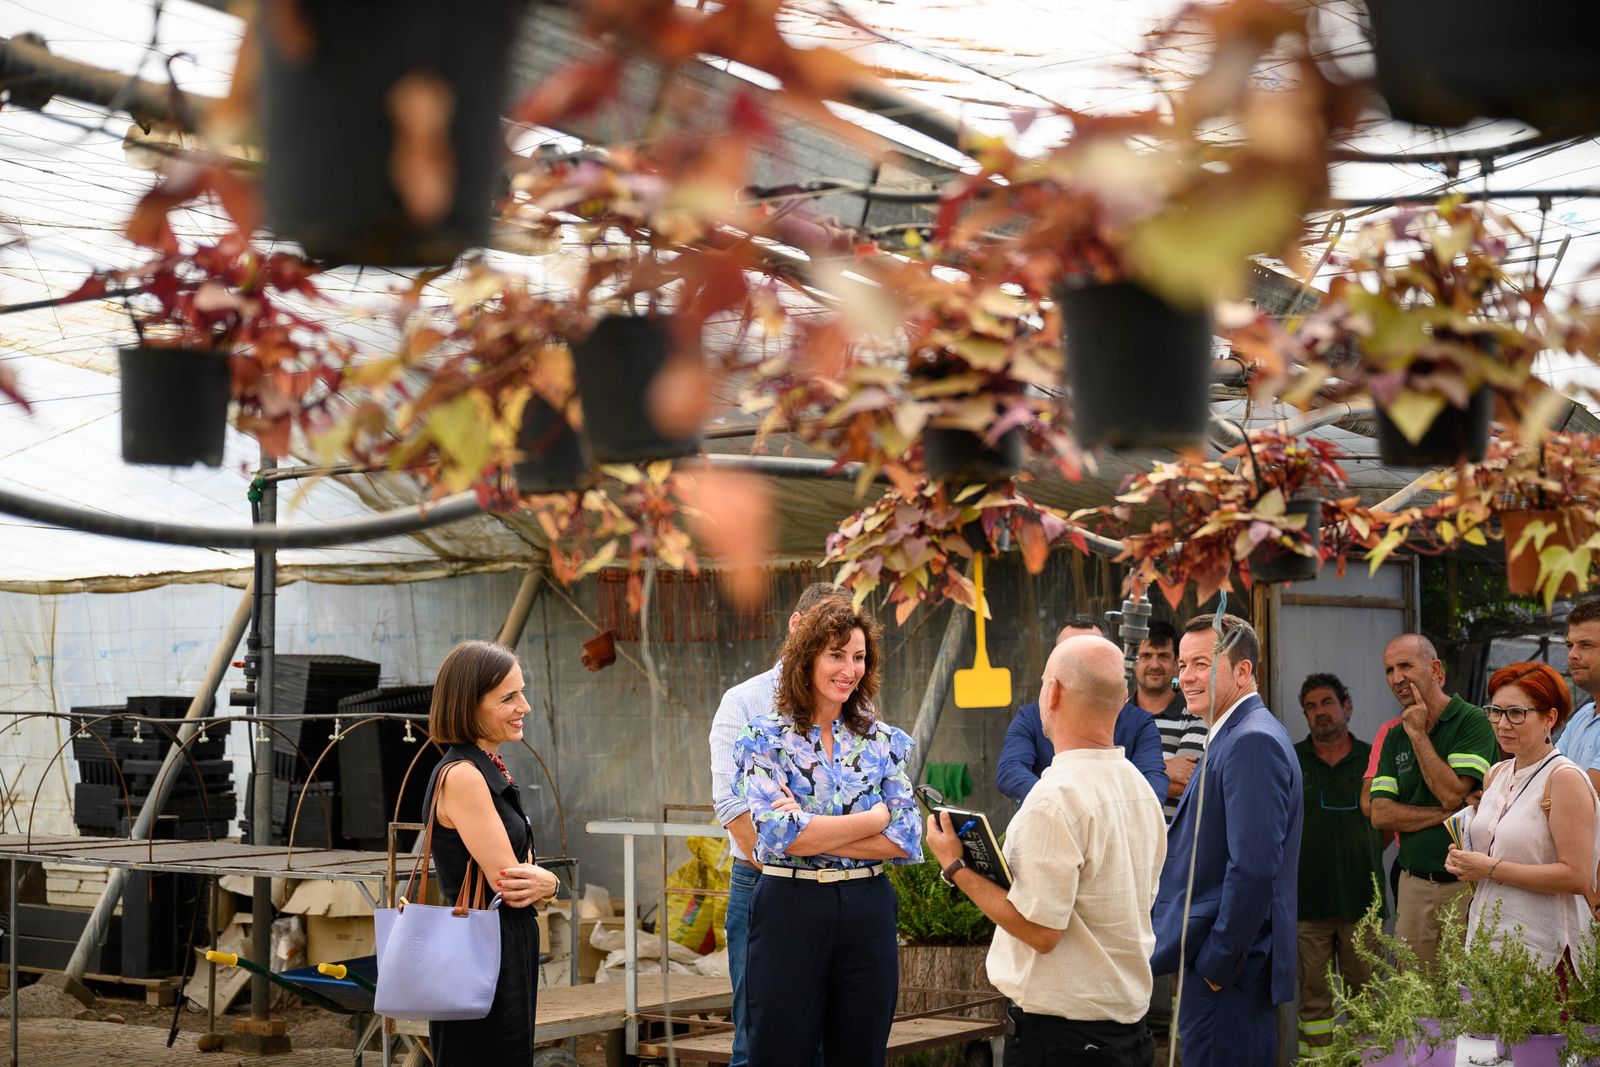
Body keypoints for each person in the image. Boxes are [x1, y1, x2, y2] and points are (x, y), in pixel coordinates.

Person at [928, 634, 1165, 1066]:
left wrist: (956, 866)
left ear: (1053, 691)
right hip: (1130, 1033)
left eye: (1042, 683)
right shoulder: (1140, 790)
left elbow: (1040, 932)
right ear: (1123, 699)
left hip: (1063, 1040)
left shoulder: (1054, 799)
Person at [734, 599, 923, 1067]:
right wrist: (874, 819)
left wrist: (812, 826)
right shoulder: (764, 739)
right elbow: (779, 837)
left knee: (861, 1054)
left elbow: (907, 838)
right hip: (789, 908)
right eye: (836, 655)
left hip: (867, 908)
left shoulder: (881, 740)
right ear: (808, 659)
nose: (849, 668)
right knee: (781, 1052)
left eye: (858, 657)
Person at [1151, 614, 1301, 1067]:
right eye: (1182, 664)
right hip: (1221, 967)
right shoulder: (1231, 734)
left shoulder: (1252, 740)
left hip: (1231, 974)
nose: (1186, 676)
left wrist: (1218, 964)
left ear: (1242, 671)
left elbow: (1254, 868)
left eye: (1201, 662)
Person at [707, 581, 845, 1067]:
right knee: (758, 1035)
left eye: (849, 649)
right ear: (796, 626)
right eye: (830, 645)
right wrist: (780, 868)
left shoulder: (854, 707)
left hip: (836, 886)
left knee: (832, 1033)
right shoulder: (744, 702)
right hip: (762, 882)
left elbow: (870, 803)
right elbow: (730, 802)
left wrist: (810, 833)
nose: (842, 662)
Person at [421, 640, 560, 1065]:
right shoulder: (463, 775)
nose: (525, 706)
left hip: (499, 941)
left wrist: (544, 882)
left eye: (521, 692)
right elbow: (513, 882)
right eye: (509, 697)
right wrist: (550, 882)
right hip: (483, 945)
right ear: (469, 705)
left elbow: (528, 874)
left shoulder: (487, 766)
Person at [1445, 662, 1600, 970]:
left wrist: (1489, 868)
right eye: (1495, 711)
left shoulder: (1564, 777)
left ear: (1549, 718)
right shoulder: (1496, 774)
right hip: (1489, 939)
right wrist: (1463, 859)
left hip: (1546, 950)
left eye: (1516, 713)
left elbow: (1577, 875)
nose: (1502, 724)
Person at [1368, 633, 1498, 972]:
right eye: (1389, 670)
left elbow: (1450, 792)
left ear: (1436, 669)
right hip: (1412, 885)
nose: (1397, 678)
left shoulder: (1471, 721)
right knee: (1415, 1000)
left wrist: (1418, 734)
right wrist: (1449, 812)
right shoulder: (1395, 734)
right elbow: (1380, 814)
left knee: (1468, 996)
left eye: (1406, 666)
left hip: (1465, 885)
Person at [1294, 673, 1386, 1060]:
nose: (1320, 713)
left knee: (1367, 1001)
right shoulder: (1291, 758)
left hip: (1362, 903)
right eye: (1311, 707)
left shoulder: (1372, 758)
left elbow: (1387, 827)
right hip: (1306, 905)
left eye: (1327, 703)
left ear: (1346, 707)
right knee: (1313, 1002)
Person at [997, 615, 1167, 805]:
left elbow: (1153, 784)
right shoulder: (1031, 717)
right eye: (1068, 651)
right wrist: (1058, 805)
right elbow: (1010, 770)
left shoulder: (1138, 723)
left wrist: (1099, 813)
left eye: (1089, 650)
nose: (1079, 659)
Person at [1131, 619, 1208, 820]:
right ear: (1132, 661)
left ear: (1176, 664)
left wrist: (1123, 775)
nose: (1154, 665)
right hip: (1124, 847)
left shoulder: (1195, 714)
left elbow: (1185, 783)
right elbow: (1101, 780)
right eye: (1146, 656)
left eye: (1163, 656)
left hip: (1173, 846)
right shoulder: (1115, 715)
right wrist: (1166, 768)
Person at [1556, 598, 1600, 794]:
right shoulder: (1583, 715)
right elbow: (1544, 776)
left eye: (1586, 645)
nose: (1572, 654)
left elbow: (1583, 797)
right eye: (1569, 645)